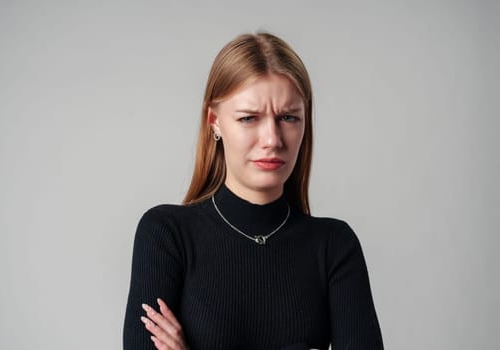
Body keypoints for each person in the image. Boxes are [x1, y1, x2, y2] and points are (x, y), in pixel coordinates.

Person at [123, 32, 384, 350]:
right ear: (214, 122)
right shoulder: (166, 235)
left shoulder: (334, 246)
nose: (273, 139)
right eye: (249, 118)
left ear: (306, 122)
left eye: (288, 117)